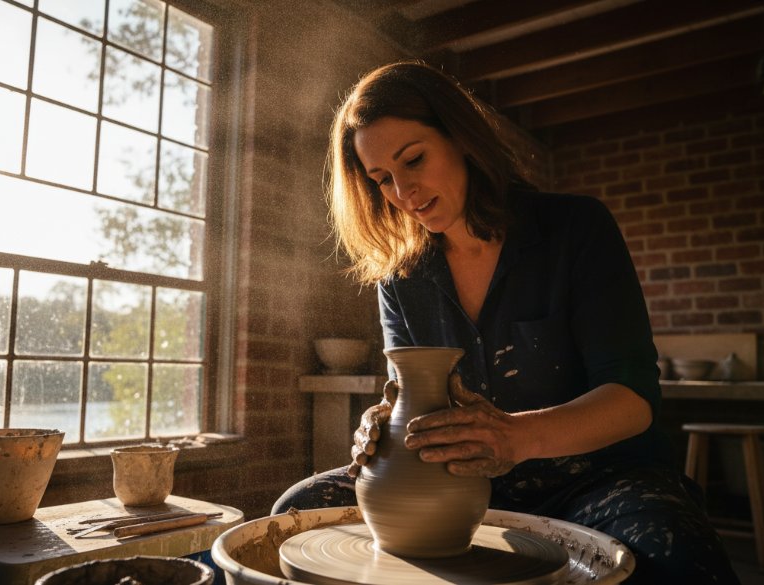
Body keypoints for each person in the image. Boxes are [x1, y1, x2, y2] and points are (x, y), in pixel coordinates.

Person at [272, 60, 739, 584]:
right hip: (466, 484)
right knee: (296, 513)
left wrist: (514, 438)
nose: (403, 191)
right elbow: (408, 399)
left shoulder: (575, 229)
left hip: (601, 479)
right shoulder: (402, 276)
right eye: (383, 179)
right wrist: (378, 430)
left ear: (462, 139)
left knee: (675, 553)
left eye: (415, 160)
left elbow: (632, 401)